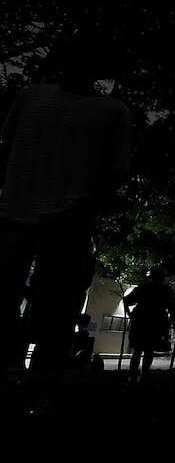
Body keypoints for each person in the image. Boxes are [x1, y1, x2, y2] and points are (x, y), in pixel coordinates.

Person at [0, 34, 132, 372]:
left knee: (56, 311)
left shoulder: (111, 111)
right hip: (28, 217)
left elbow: (115, 173)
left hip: (57, 221)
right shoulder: (32, 96)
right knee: (51, 308)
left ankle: (40, 384)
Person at [125, 271, 175, 381]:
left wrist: (130, 314)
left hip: (142, 320)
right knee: (148, 350)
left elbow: (127, 301)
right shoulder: (166, 290)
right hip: (156, 321)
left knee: (138, 350)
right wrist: (173, 322)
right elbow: (173, 309)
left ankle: (134, 375)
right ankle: (143, 374)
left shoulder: (143, 287)